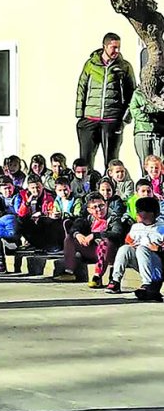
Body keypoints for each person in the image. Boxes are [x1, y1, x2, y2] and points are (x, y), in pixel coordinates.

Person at [76, 32, 136, 172]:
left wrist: (125, 118)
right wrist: (80, 115)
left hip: (112, 119)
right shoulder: (91, 65)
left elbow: (132, 93)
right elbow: (81, 88)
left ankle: (111, 190)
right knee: (85, 160)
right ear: (105, 46)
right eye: (113, 47)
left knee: (111, 161)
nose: (117, 51)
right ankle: (87, 190)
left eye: (118, 48)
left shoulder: (124, 67)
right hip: (90, 117)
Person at [56, 192, 127, 288]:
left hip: (109, 252)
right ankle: (69, 272)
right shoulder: (88, 218)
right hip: (92, 250)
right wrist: (78, 234)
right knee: (70, 238)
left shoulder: (114, 218)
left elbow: (116, 234)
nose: (99, 209)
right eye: (95, 207)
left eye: (101, 206)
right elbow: (74, 227)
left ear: (106, 205)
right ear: (89, 210)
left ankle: (97, 277)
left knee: (106, 242)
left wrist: (95, 235)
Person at [109, 197, 164, 300]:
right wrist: (130, 244)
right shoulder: (136, 227)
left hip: (158, 264)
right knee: (125, 248)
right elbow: (128, 240)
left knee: (142, 249)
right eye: (138, 212)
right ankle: (115, 280)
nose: (139, 215)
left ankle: (147, 284)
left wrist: (159, 249)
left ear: (152, 214)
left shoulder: (161, 228)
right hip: (141, 262)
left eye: (143, 212)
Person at [127, 79, 164, 171]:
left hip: (159, 132)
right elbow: (134, 111)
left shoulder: (162, 93)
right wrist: (152, 116)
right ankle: (146, 184)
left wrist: (145, 109)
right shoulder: (138, 93)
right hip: (142, 132)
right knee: (145, 164)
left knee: (160, 163)